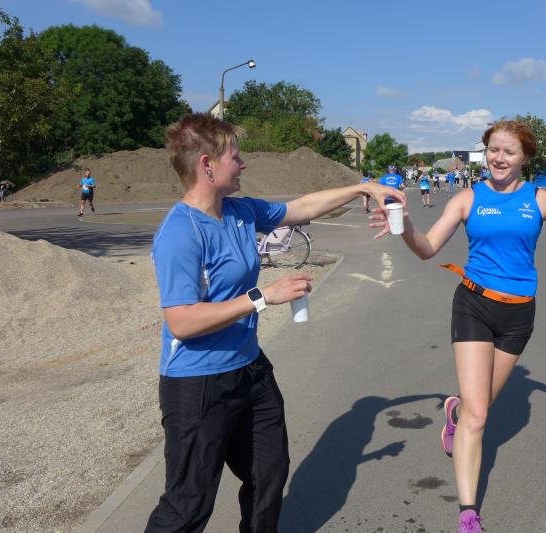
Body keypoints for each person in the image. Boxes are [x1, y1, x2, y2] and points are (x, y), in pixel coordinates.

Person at [370, 118, 546, 533]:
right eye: (493, 150)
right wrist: (405, 228)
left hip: (518, 316)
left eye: (508, 151)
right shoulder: (469, 197)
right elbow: (428, 248)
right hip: (473, 306)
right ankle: (468, 514)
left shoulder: (540, 199)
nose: (499, 158)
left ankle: (454, 411)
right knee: (478, 418)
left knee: (476, 406)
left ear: (525, 158)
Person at [146, 113, 405, 533]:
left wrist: (363, 187)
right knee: (189, 503)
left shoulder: (240, 211)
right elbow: (181, 321)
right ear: (207, 165)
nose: (243, 164)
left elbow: (300, 208)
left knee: (268, 473)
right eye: (235, 156)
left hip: (250, 370)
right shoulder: (180, 233)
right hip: (198, 384)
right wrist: (263, 297)